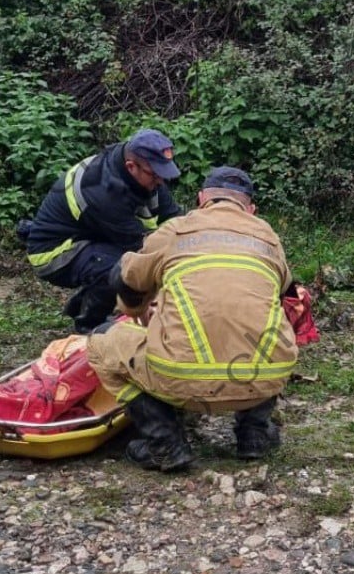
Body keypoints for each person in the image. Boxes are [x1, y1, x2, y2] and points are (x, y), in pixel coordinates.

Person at [86, 166, 297, 472]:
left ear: (201, 200)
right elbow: (276, 294)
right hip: (264, 376)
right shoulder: (269, 238)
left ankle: (164, 442)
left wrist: (135, 311)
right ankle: (255, 434)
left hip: (181, 378)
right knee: (260, 327)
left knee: (101, 342)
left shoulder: (176, 230)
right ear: (251, 209)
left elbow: (127, 276)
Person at [20, 129, 183, 333]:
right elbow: (143, 250)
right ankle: (90, 326)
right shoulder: (104, 193)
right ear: (131, 167)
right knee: (121, 267)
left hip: (92, 237)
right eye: (156, 175)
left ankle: (83, 303)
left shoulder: (139, 169)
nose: (161, 181)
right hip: (53, 252)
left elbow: (175, 219)